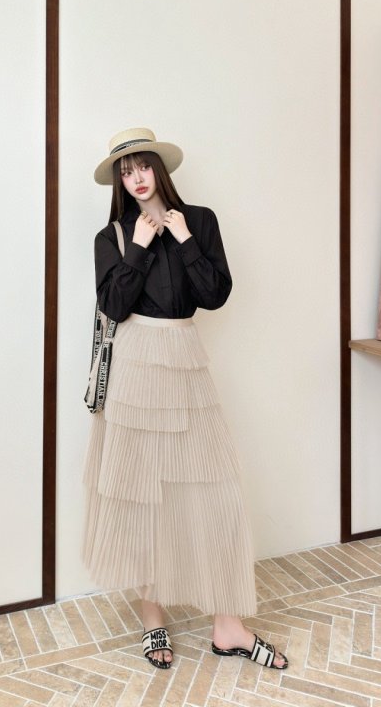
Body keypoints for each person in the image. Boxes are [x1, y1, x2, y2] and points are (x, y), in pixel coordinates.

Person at [82, 127, 288, 671]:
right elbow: (114, 306)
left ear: (160, 168)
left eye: (143, 165)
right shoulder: (112, 236)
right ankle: (152, 616)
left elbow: (215, 295)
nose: (136, 177)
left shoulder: (199, 219)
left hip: (185, 359)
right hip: (135, 369)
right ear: (119, 181)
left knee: (218, 491)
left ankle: (228, 627)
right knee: (142, 495)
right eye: (126, 171)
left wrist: (184, 239)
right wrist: (140, 247)